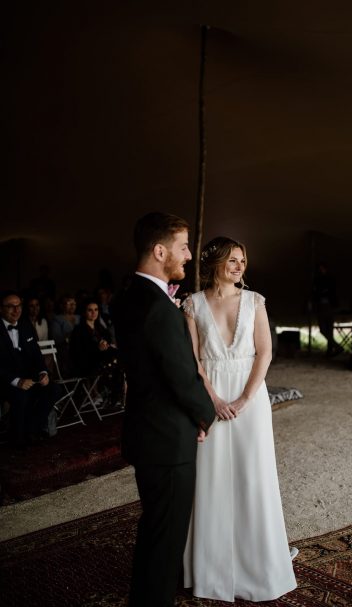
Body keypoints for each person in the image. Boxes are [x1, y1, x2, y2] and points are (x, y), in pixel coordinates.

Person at [182, 236, 297, 602]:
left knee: (254, 474)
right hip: (211, 394)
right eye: (232, 259)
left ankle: (258, 563)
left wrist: (246, 398)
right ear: (215, 261)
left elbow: (264, 352)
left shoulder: (254, 301)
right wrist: (213, 399)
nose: (239, 266)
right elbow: (194, 360)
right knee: (211, 477)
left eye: (243, 260)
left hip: (251, 398)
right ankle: (211, 568)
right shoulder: (193, 304)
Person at [114, 212, 215, 607]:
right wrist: (204, 414)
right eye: (183, 247)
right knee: (166, 540)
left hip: (146, 430)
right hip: (167, 439)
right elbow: (180, 375)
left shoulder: (129, 297)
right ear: (160, 251)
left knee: (155, 531)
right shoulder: (157, 307)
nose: (189, 256)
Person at [0, 290, 57, 449]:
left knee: (52, 389)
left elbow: (36, 355)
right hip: (5, 381)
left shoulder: (25, 325)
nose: (16, 310)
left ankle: (32, 430)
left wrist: (43, 372)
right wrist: (17, 381)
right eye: (10, 306)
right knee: (21, 395)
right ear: (1, 309)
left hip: (28, 377)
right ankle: (17, 439)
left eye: (18, 306)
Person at [69, 299, 124, 406]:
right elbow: (79, 352)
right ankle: (108, 394)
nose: (94, 313)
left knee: (119, 360)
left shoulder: (100, 328)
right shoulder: (79, 330)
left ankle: (114, 395)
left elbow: (107, 342)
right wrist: (98, 348)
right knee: (115, 362)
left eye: (96, 310)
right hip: (86, 363)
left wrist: (107, 345)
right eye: (90, 310)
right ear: (84, 312)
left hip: (101, 360)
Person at [312, 263, 343, 356]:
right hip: (322, 307)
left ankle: (331, 351)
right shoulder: (317, 280)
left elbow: (332, 292)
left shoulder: (330, 279)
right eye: (320, 269)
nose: (321, 271)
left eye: (323, 268)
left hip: (329, 307)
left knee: (329, 330)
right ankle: (337, 347)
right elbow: (315, 293)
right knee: (323, 329)